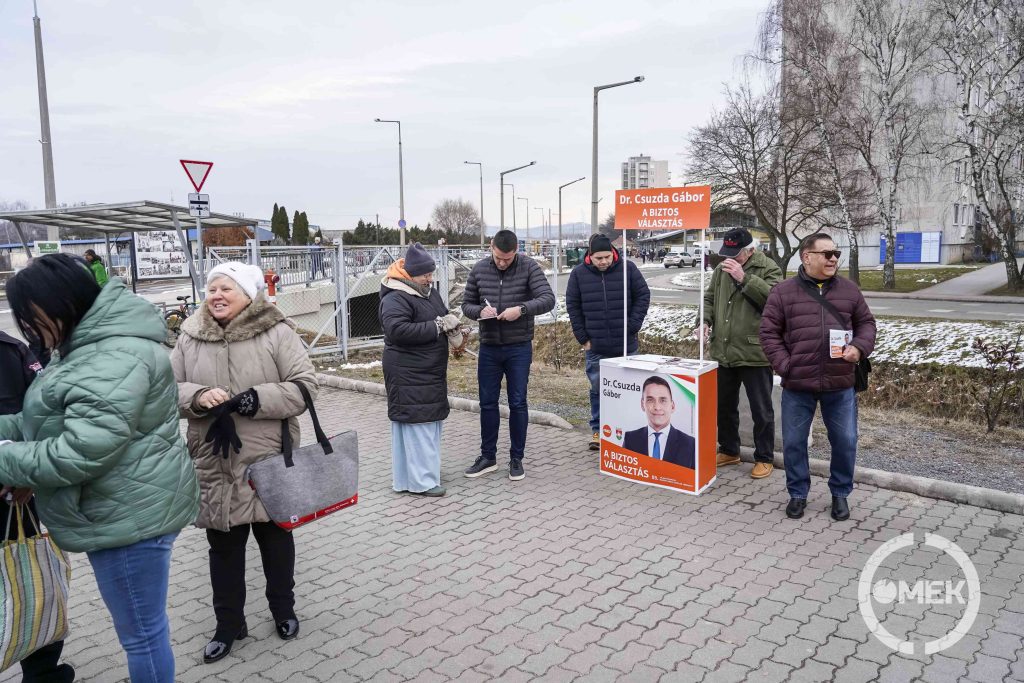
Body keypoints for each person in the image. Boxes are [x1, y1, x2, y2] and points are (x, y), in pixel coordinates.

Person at [0, 254, 199, 683]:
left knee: (143, 636)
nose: (31, 331)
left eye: (32, 318)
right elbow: (48, 418)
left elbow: (81, 450)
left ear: (58, 303)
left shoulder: (110, 354)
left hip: (128, 517)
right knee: (145, 630)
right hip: (124, 505)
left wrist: (4, 458)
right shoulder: (87, 344)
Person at [170, 262, 318, 663]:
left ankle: (283, 610)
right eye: (212, 288)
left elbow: (306, 386)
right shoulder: (190, 336)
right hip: (214, 460)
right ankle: (228, 624)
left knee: (275, 540)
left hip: (267, 458)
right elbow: (168, 388)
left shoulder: (276, 331)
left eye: (226, 289)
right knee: (223, 548)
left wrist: (259, 399)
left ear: (249, 295)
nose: (217, 295)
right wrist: (198, 397)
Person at [760, 233, 876, 522]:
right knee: (794, 443)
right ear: (806, 256)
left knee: (846, 441)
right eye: (826, 253)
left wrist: (859, 348)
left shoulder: (849, 291)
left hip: (839, 384)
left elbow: (867, 324)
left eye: (836, 253)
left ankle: (840, 494)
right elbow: (768, 333)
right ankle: (797, 494)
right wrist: (786, 365)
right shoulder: (783, 292)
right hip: (798, 385)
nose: (833, 258)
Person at [0, 331, 74, 683]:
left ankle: (43, 671)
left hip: (16, 492)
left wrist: (30, 474)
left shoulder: (12, 350)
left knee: (35, 577)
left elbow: (43, 414)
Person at [461, 229, 555, 481]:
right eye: (499, 257)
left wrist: (521, 309)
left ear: (516, 252)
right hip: (489, 346)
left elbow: (548, 299)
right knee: (487, 403)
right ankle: (487, 456)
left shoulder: (528, 267)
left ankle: (516, 458)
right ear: (491, 247)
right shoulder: (480, 269)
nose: (503, 262)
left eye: (508, 258)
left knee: (517, 402)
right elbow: (466, 304)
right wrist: (481, 311)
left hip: (518, 346)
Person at [379, 243, 464, 497]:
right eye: (425, 274)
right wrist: (437, 327)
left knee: (427, 424)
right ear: (410, 274)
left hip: (427, 371)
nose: (430, 278)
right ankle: (423, 481)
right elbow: (397, 330)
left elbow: (441, 315)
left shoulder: (427, 291)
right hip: (408, 371)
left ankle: (416, 476)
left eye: (431, 273)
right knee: (418, 426)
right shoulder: (395, 296)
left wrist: (453, 326)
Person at [698, 228, 783, 479]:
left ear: (751, 250)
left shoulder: (769, 269)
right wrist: (704, 320)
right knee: (724, 406)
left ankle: (764, 457)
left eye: (736, 255)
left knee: (761, 409)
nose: (731, 259)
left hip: (754, 351)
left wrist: (744, 278)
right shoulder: (721, 269)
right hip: (723, 350)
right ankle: (729, 450)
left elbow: (774, 302)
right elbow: (710, 298)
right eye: (727, 254)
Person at [566, 233, 651, 450]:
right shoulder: (578, 274)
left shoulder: (628, 269)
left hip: (626, 345)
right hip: (596, 346)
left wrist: (632, 326)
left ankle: (629, 430)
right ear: (590, 256)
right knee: (598, 390)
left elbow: (643, 295)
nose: (604, 261)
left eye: (607, 257)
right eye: (599, 258)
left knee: (631, 389)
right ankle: (598, 430)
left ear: (613, 253)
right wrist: (583, 338)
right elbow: (573, 306)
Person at [621, 376, 696, 468]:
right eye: (650, 400)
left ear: (672, 406)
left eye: (663, 400)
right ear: (642, 404)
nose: (657, 407)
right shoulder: (630, 439)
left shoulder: (690, 444)